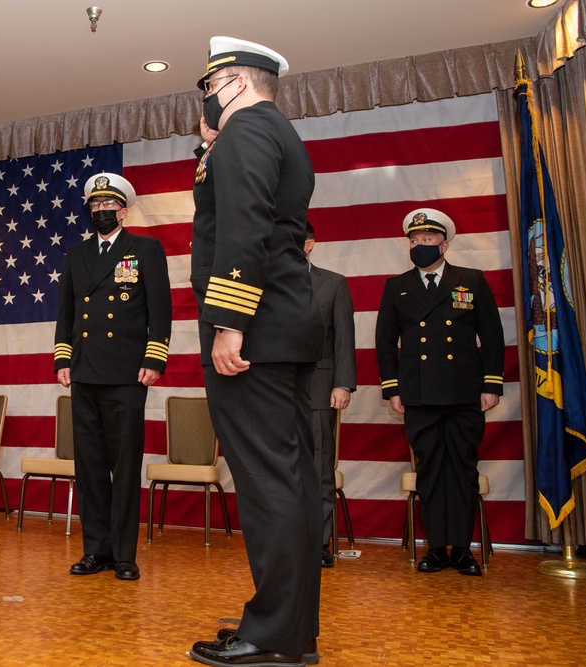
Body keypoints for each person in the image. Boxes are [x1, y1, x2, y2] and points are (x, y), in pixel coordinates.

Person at [188, 37, 324, 667]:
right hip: (286, 328)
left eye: (209, 89)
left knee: (268, 485)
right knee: (289, 483)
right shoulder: (280, 133)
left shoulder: (246, 132)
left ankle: (274, 637)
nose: (207, 102)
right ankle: (287, 629)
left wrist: (228, 322)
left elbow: (243, 227)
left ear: (235, 84)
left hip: (256, 331)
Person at [54, 172, 172, 582]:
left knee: (124, 468)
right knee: (88, 468)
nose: (100, 211)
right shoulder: (76, 253)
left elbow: (160, 308)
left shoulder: (145, 250)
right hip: (85, 372)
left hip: (126, 373)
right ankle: (96, 551)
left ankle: (124, 554)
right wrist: (62, 360)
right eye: (95, 206)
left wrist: (155, 358)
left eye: (108, 206)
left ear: (124, 210)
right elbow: (66, 312)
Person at [375, 208, 503, 577]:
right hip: (419, 394)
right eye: (414, 242)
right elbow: (385, 343)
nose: (419, 246)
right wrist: (392, 389)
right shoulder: (396, 286)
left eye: (427, 241)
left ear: (444, 244)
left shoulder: (471, 281)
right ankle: (435, 548)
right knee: (429, 469)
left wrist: (491, 384)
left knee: (463, 468)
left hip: (464, 393)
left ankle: (462, 549)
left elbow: (492, 337)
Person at [304, 222, 356, 568]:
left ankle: (319, 542)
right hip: (275, 392)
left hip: (319, 389)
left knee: (319, 468)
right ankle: (289, 540)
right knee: (281, 471)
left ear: (309, 244)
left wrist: (342, 383)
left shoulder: (333, 283)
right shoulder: (266, 281)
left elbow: (343, 339)